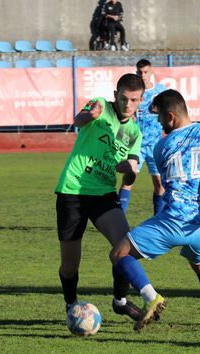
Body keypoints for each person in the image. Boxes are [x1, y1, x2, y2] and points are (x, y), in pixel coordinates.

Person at [109, 89, 200, 332]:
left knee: (119, 254)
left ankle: (151, 296)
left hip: (173, 222)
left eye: (161, 118)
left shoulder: (162, 147)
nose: (160, 123)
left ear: (171, 116)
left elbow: (166, 188)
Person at [54, 73, 146, 322]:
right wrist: (89, 116)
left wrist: (129, 173)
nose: (128, 105)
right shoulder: (100, 105)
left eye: (134, 100)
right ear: (115, 94)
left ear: (141, 100)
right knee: (70, 265)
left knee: (125, 248)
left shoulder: (134, 133)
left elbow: (130, 177)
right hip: (72, 191)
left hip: (104, 194)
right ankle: (71, 304)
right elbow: (79, 120)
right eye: (124, 98)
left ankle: (120, 301)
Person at [118, 59, 168, 215]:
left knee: (159, 184)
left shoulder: (161, 91)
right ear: (136, 72)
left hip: (156, 145)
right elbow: (123, 109)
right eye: (140, 72)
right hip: (136, 144)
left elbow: (169, 110)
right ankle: (118, 217)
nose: (143, 75)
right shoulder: (134, 92)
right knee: (128, 179)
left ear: (151, 72)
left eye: (146, 72)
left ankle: (158, 219)